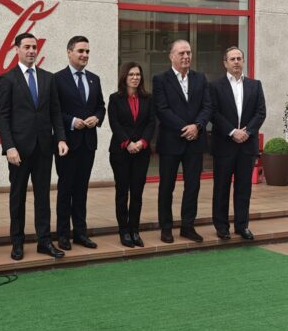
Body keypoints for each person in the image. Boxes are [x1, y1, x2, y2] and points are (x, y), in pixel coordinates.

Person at [0, 32, 68, 260]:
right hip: (18, 149)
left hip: (44, 148)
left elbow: (55, 112)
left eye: (34, 47)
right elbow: (3, 117)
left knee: (43, 196)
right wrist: (9, 147)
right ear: (16, 49)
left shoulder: (48, 78)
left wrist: (61, 138)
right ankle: (17, 242)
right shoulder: (7, 79)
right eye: (26, 46)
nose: (31, 51)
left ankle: (44, 241)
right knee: (17, 196)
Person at [153, 39, 212, 244]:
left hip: (195, 141)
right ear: (171, 56)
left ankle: (188, 226)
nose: (186, 57)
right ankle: (166, 227)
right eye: (181, 53)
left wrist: (197, 126)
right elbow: (162, 109)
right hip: (171, 141)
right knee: (166, 186)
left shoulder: (200, 78)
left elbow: (207, 107)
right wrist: (184, 128)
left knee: (193, 186)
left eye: (188, 53)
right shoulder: (160, 79)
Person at [53, 36, 105, 250]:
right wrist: (73, 122)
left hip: (88, 143)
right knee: (66, 189)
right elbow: (54, 111)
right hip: (66, 143)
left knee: (81, 190)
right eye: (81, 51)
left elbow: (101, 106)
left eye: (87, 52)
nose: (85, 55)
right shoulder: (57, 79)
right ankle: (63, 234)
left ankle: (80, 233)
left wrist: (97, 118)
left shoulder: (94, 78)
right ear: (69, 52)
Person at [210, 47, 266, 240]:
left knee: (244, 188)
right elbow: (213, 113)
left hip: (246, 146)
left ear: (243, 61)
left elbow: (261, 113)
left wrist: (247, 132)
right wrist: (233, 132)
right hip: (225, 145)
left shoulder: (255, 85)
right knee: (221, 188)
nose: (236, 62)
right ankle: (221, 226)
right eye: (232, 59)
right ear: (225, 63)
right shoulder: (215, 86)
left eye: (239, 58)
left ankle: (242, 226)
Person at [107, 62, 155, 247]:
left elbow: (152, 123)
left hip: (141, 153)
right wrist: (127, 143)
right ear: (124, 77)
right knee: (122, 192)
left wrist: (143, 143)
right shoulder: (115, 98)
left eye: (137, 74)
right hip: (121, 152)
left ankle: (135, 230)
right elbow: (115, 123)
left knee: (137, 193)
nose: (135, 77)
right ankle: (124, 230)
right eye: (131, 74)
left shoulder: (148, 99)